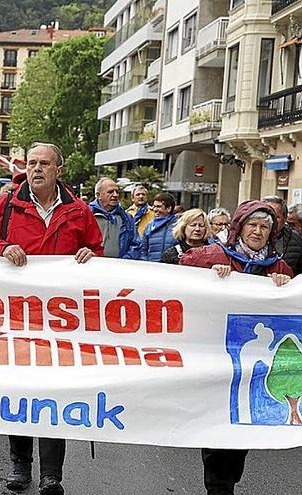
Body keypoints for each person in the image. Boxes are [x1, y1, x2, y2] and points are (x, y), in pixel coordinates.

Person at [0, 143, 102, 495]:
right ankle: (20, 466)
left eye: (44, 163)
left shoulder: (79, 210)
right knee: (21, 392)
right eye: (31, 163)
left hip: (61, 322)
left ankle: (52, 474)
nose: (36, 168)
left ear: (59, 169)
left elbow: (99, 253)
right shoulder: (6, 205)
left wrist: (91, 254)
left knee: (55, 394)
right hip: (17, 319)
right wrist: (2, 248)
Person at [180, 200, 292, 495]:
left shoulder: (278, 267)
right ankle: (219, 486)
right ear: (239, 228)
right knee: (218, 431)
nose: (257, 231)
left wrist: (285, 284)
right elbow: (176, 277)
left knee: (241, 431)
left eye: (264, 227)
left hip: (255, 364)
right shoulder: (211, 256)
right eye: (252, 225)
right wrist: (206, 276)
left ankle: (226, 479)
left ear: (272, 232)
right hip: (215, 358)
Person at [89, 177, 136, 259]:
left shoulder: (127, 218)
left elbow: (135, 244)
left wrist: (125, 260)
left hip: (119, 268)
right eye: (110, 192)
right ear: (98, 195)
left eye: (117, 192)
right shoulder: (87, 215)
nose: (115, 195)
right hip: (91, 266)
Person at [262, 196, 302, 276]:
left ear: (285, 218)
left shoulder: (295, 239)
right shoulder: (249, 238)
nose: (270, 220)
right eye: (266, 214)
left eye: (276, 216)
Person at [134, 192, 178, 262]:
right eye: (154, 206)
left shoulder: (179, 225)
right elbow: (143, 250)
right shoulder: (150, 226)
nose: (154, 209)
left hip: (172, 269)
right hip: (153, 269)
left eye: (158, 206)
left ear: (169, 208)